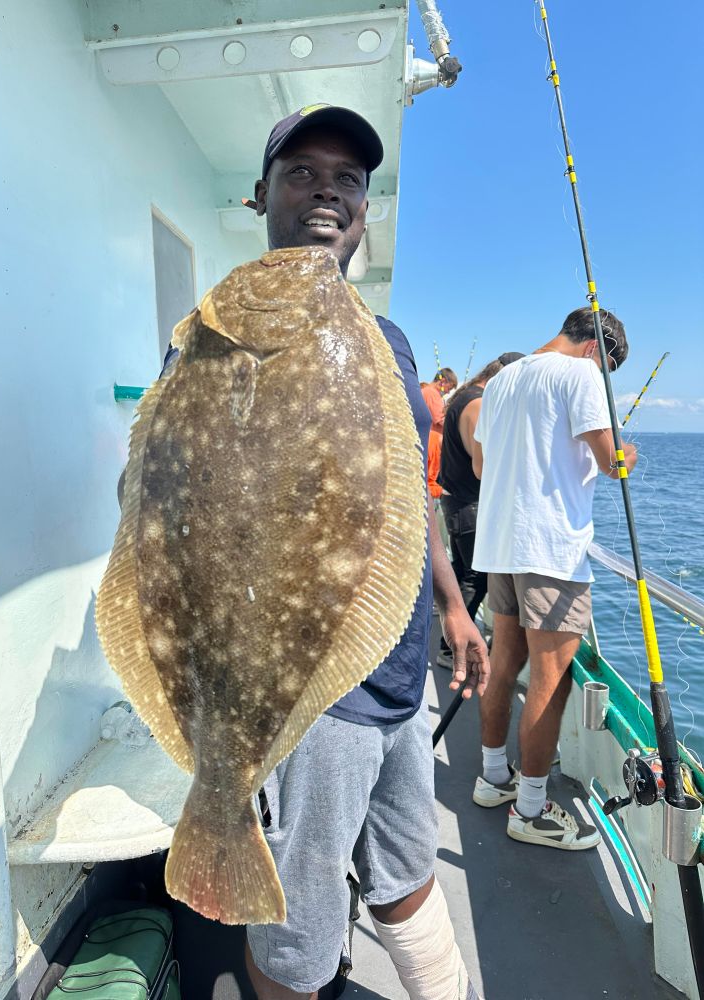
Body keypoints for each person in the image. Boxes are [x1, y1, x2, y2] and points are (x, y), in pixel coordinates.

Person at [235, 105, 488, 1000]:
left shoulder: (390, 340)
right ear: (260, 192)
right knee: (299, 925)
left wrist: (452, 604)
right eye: (302, 172)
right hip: (309, 691)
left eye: (347, 179)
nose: (326, 192)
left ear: (366, 210)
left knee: (409, 866)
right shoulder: (229, 326)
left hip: (399, 672)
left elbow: (409, 492)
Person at [470, 307, 636, 850]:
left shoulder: (502, 380)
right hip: (550, 552)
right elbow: (612, 463)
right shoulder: (583, 373)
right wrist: (625, 452)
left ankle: (494, 779)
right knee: (552, 676)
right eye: (611, 368)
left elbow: (481, 465)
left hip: (500, 545)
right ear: (597, 350)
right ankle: (532, 810)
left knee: (504, 663)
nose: (606, 378)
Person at [435, 352, 524, 670]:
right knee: (476, 578)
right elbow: (482, 466)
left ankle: (451, 642)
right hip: (469, 505)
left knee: (463, 573)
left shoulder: (466, 397)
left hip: (457, 502)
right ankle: (451, 649)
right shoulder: (478, 403)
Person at [421, 368, 458, 434]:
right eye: (449, 388)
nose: (448, 392)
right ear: (443, 382)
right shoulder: (433, 393)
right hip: (432, 439)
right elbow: (442, 420)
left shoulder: (426, 390)